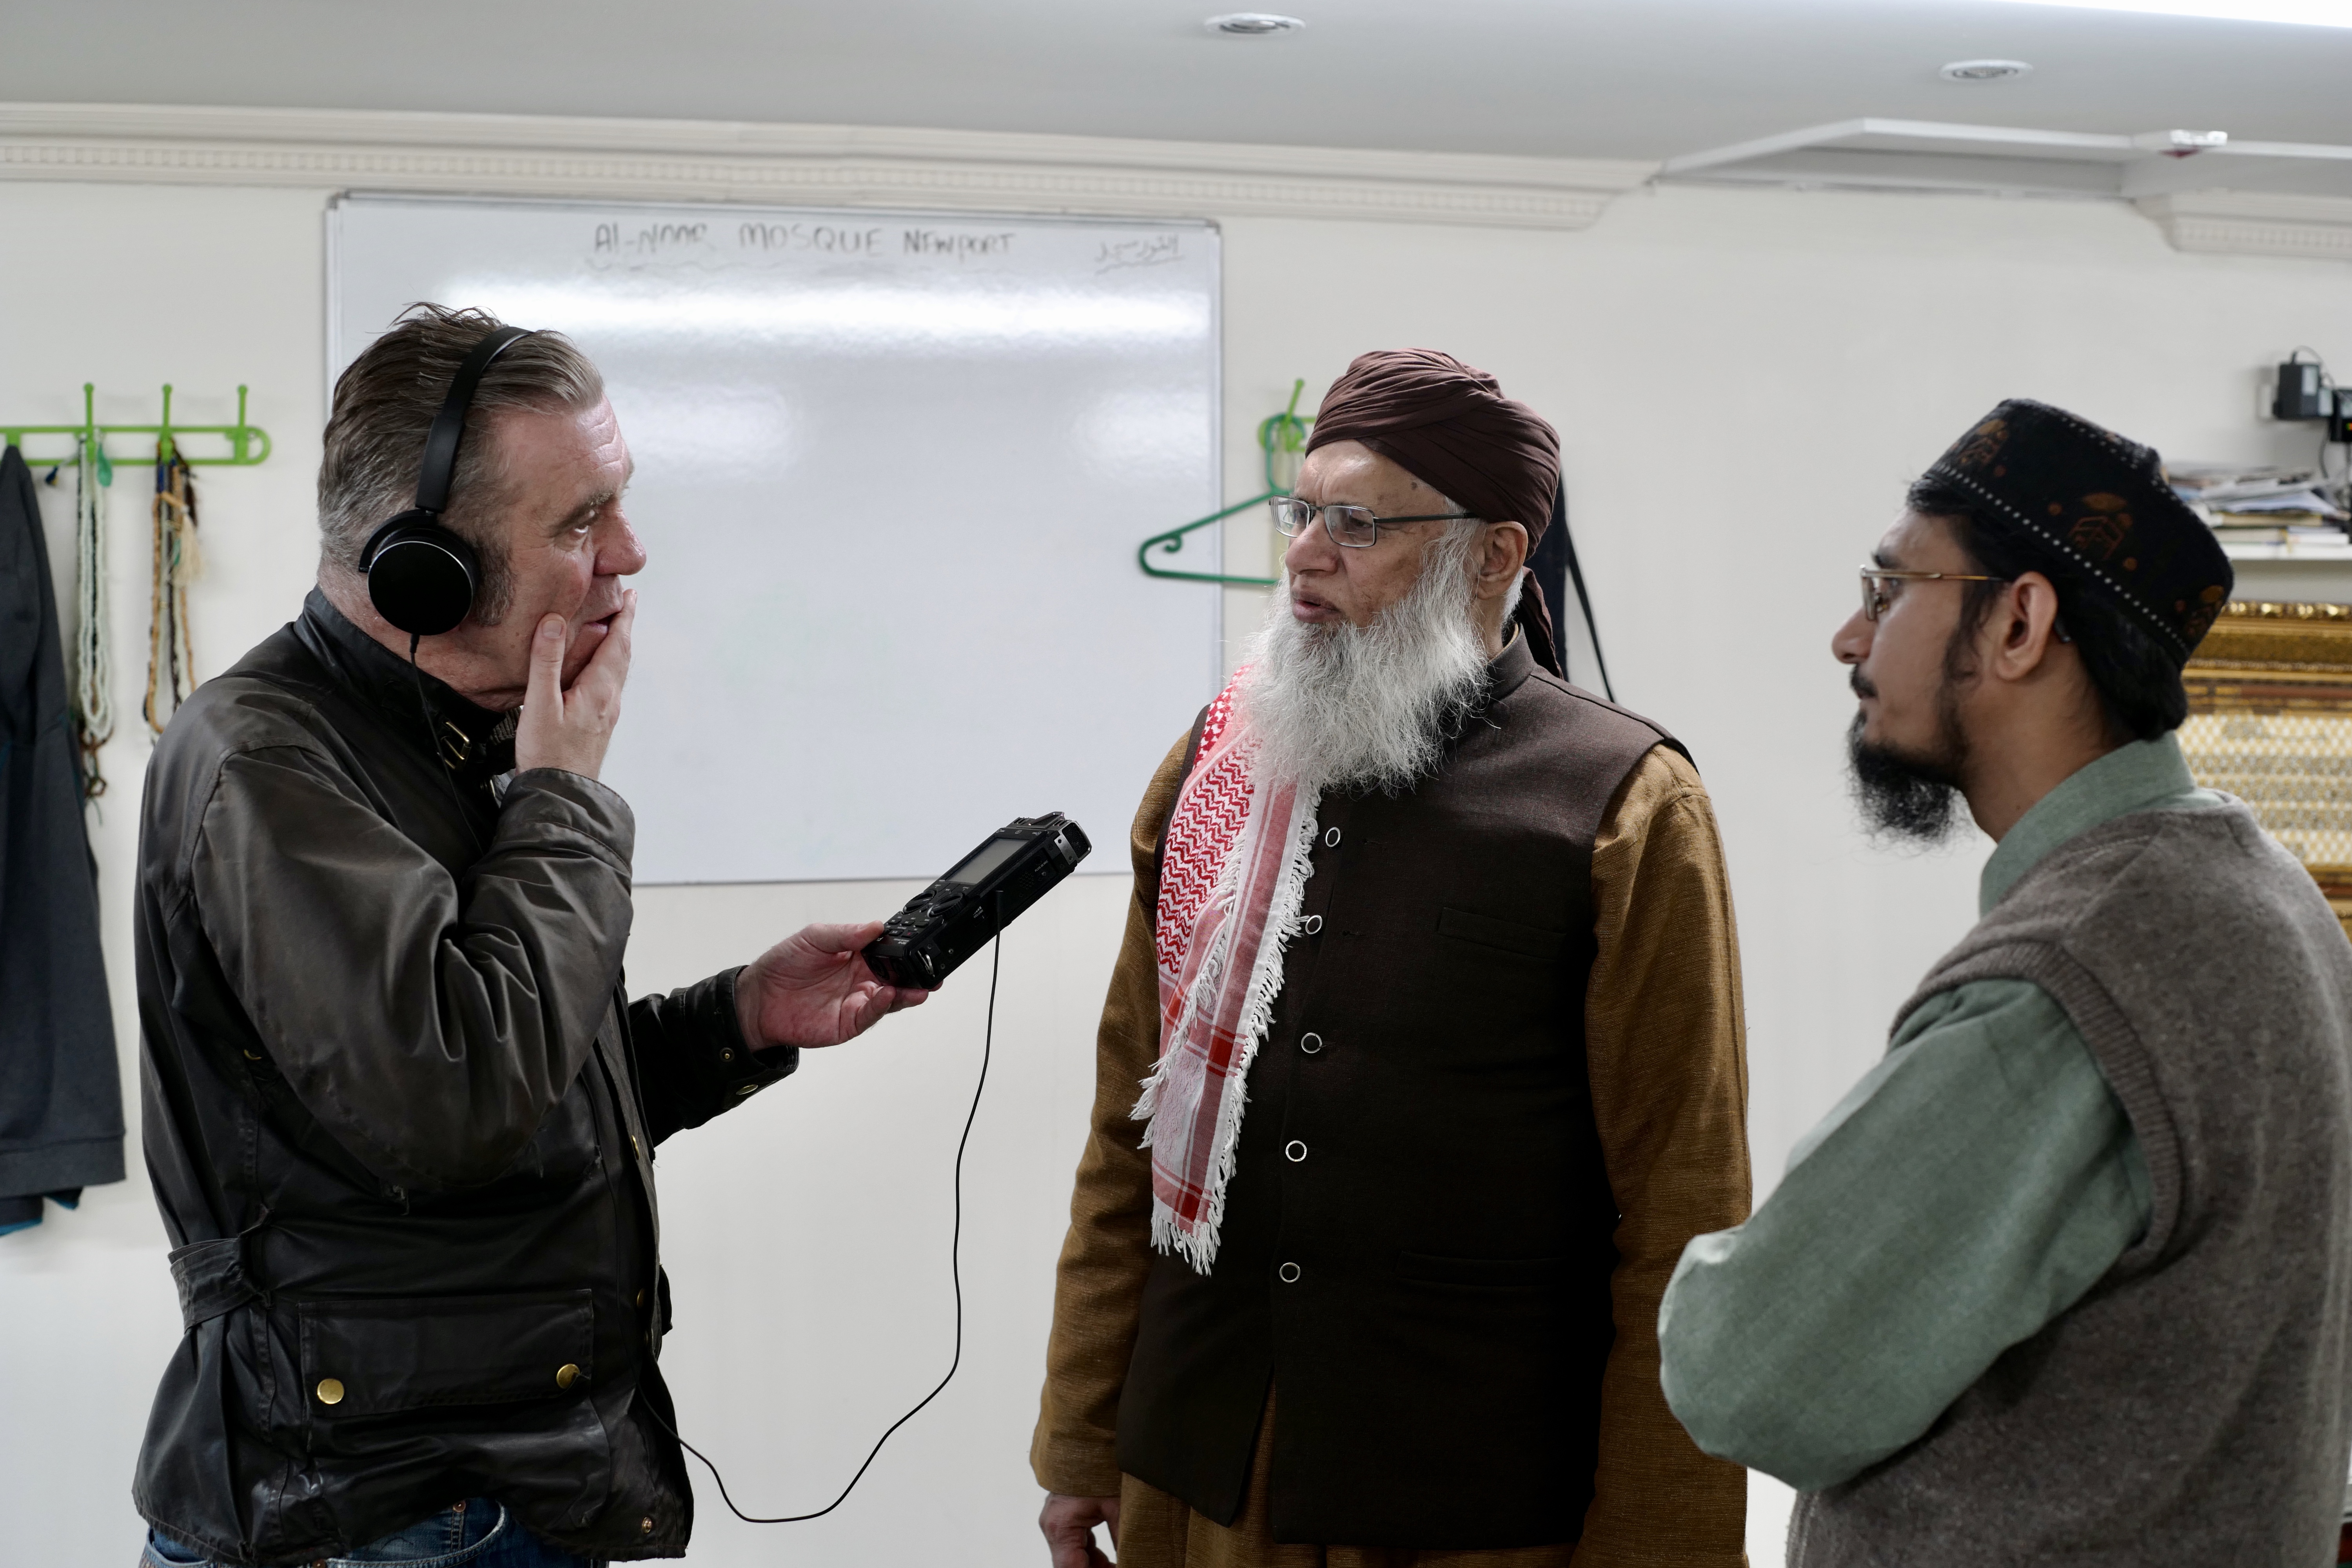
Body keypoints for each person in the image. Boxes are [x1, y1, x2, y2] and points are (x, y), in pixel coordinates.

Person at [131, 305, 926, 1567]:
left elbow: (518, 1076)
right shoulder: (271, 763)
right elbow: (455, 1104)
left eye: (618, 504)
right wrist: (565, 799)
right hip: (392, 1515)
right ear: (420, 570)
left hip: (490, 1488)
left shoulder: (451, 740)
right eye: (577, 521)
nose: (630, 552)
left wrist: (737, 1021)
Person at [1032, 350, 1751, 1568]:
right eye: (1301, 512)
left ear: (1495, 556)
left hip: (1470, 1498)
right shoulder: (1220, 761)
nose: (1306, 554)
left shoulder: (1625, 802)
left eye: (1356, 523)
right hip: (1199, 1475)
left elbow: (1683, 1207)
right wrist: (1079, 1437)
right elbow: (1130, 1126)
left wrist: (1661, 1544)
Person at [1658, 400, 2352, 1565]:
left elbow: (1748, 1371)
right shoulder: (2273, 900)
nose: (1849, 638)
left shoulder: (2077, 981)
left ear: (2022, 621)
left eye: (1888, 591)